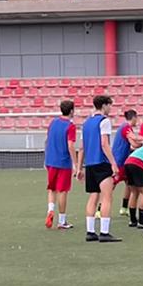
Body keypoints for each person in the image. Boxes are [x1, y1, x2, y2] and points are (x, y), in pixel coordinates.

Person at [81, 94, 122, 242]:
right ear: (104, 105)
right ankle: (104, 232)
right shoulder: (104, 121)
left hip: (90, 164)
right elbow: (104, 144)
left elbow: (83, 147)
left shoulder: (86, 123)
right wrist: (113, 163)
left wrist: (79, 167)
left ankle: (90, 231)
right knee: (107, 197)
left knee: (93, 196)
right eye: (110, 105)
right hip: (102, 163)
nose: (110, 108)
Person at [43, 98, 78, 230]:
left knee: (52, 188)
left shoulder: (53, 123)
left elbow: (47, 140)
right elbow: (70, 145)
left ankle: (50, 210)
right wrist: (75, 164)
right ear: (72, 111)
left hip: (51, 160)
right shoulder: (70, 126)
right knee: (62, 191)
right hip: (63, 162)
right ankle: (62, 221)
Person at [115, 108, 142, 222]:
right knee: (111, 185)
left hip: (124, 161)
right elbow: (133, 143)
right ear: (134, 117)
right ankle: (100, 210)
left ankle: (124, 207)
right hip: (118, 161)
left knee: (129, 184)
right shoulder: (126, 128)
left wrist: (138, 143)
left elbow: (132, 144)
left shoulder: (125, 127)